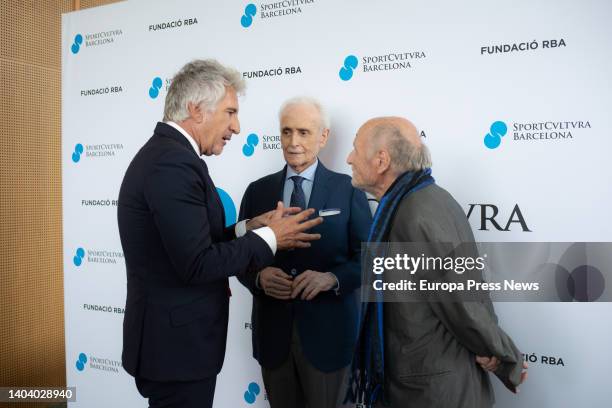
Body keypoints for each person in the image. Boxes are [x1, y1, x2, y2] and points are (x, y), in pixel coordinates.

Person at [117, 60, 323, 408]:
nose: (237, 127)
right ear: (196, 110)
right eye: (230, 113)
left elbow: (194, 242)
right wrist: (272, 237)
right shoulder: (173, 163)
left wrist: (248, 227)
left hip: (175, 348)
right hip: (175, 352)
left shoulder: (173, 157)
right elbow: (197, 263)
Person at [345, 116, 528, 408]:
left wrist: (505, 358)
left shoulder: (418, 211)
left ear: (381, 160)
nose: (349, 158)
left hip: (432, 391)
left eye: (355, 149)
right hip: (419, 382)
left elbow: (462, 300)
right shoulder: (410, 203)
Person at [238, 97, 372, 408]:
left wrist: (331, 279)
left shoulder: (349, 189)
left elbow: (372, 259)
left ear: (323, 137)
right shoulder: (257, 191)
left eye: (303, 132)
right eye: (286, 132)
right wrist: (258, 278)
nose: (293, 142)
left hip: (330, 340)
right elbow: (238, 255)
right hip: (274, 340)